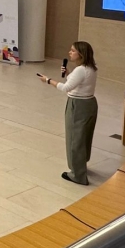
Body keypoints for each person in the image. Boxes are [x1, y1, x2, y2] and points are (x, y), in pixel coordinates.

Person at [38, 41, 99, 186]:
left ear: (81, 54)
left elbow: (66, 88)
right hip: (90, 103)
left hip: (78, 105)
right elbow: (78, 83)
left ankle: (78, 175)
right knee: (84, 137)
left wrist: (48, 80)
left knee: (74, 139)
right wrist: (68, 74)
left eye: (73, 50)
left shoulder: (80, 70)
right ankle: (81, 166)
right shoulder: (91, 68)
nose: (69, 53)